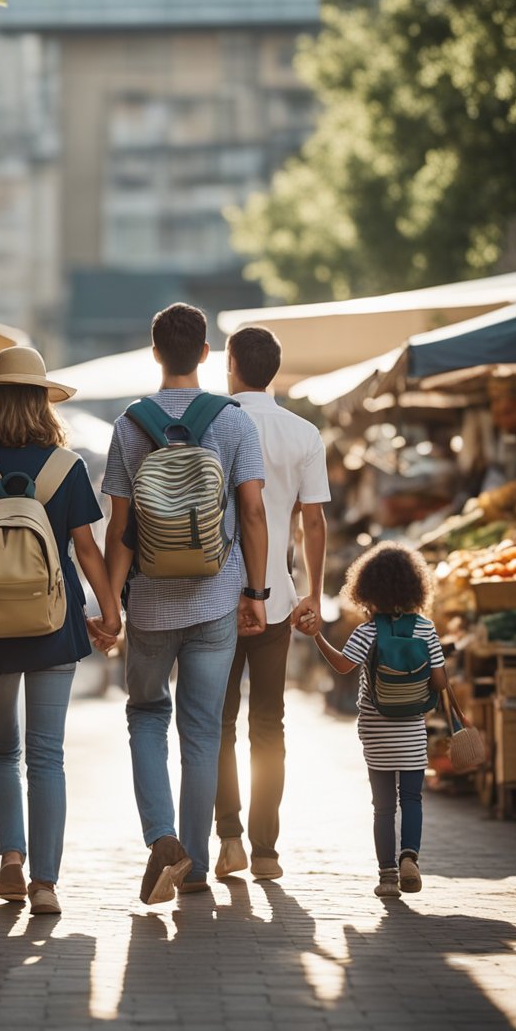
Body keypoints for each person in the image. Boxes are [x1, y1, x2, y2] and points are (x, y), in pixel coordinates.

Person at [0, 347, 120, 917]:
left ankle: (10, 858)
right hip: (54, 623)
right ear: (43, 400)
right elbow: (86, 549)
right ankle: (45, 884)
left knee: (1, 749)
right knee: (46, 755)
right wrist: (111, 613)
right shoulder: (66, 466)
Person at [101, 303, 268, 903]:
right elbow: (250, 512)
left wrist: (111, 605)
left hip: (148, 602)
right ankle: (193, 867)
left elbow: (119, 528)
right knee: (202, 732)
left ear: (154, 353)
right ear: (204, 354)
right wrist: (255, 592)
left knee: (146, 714)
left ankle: (161, 838)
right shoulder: (233, 421)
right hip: (216, 597)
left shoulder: (129, 424)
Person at [214, 327, 330, 883]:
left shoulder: (212, 421)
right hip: (278, 599)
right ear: (275, 370)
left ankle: (229, 839)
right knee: (269, 725)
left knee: (218, 724)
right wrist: (314, 593)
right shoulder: (302, 432)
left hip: (213, 596)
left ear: (231, 364)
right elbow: (313, 520)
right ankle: (266, 852)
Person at [297, 542, 447, 897]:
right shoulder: (425, 629)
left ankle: (387, 876)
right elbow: (439, 681)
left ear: (366, 590)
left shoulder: (367, 632)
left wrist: (317, 636)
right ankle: (410, 855)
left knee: (382, 806)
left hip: (377, 728)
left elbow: (343, 666)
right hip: (411, 727)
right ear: (415, 587)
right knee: (412, 799)